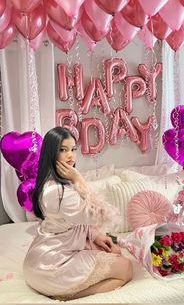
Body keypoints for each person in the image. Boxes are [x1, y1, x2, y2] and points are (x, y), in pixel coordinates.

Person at [23, 127, 132, 300]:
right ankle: (70, 294)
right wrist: (79, 179)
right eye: (63, 150)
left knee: (115, 252)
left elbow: (74, 220)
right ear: (51, 154)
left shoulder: (56, 184)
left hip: (46, 256)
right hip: (51, 266)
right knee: (126, 268)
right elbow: (103, 214)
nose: (70, 156)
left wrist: (94, 235)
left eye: (73, 149)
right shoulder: (57, 192)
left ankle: (67, 289)